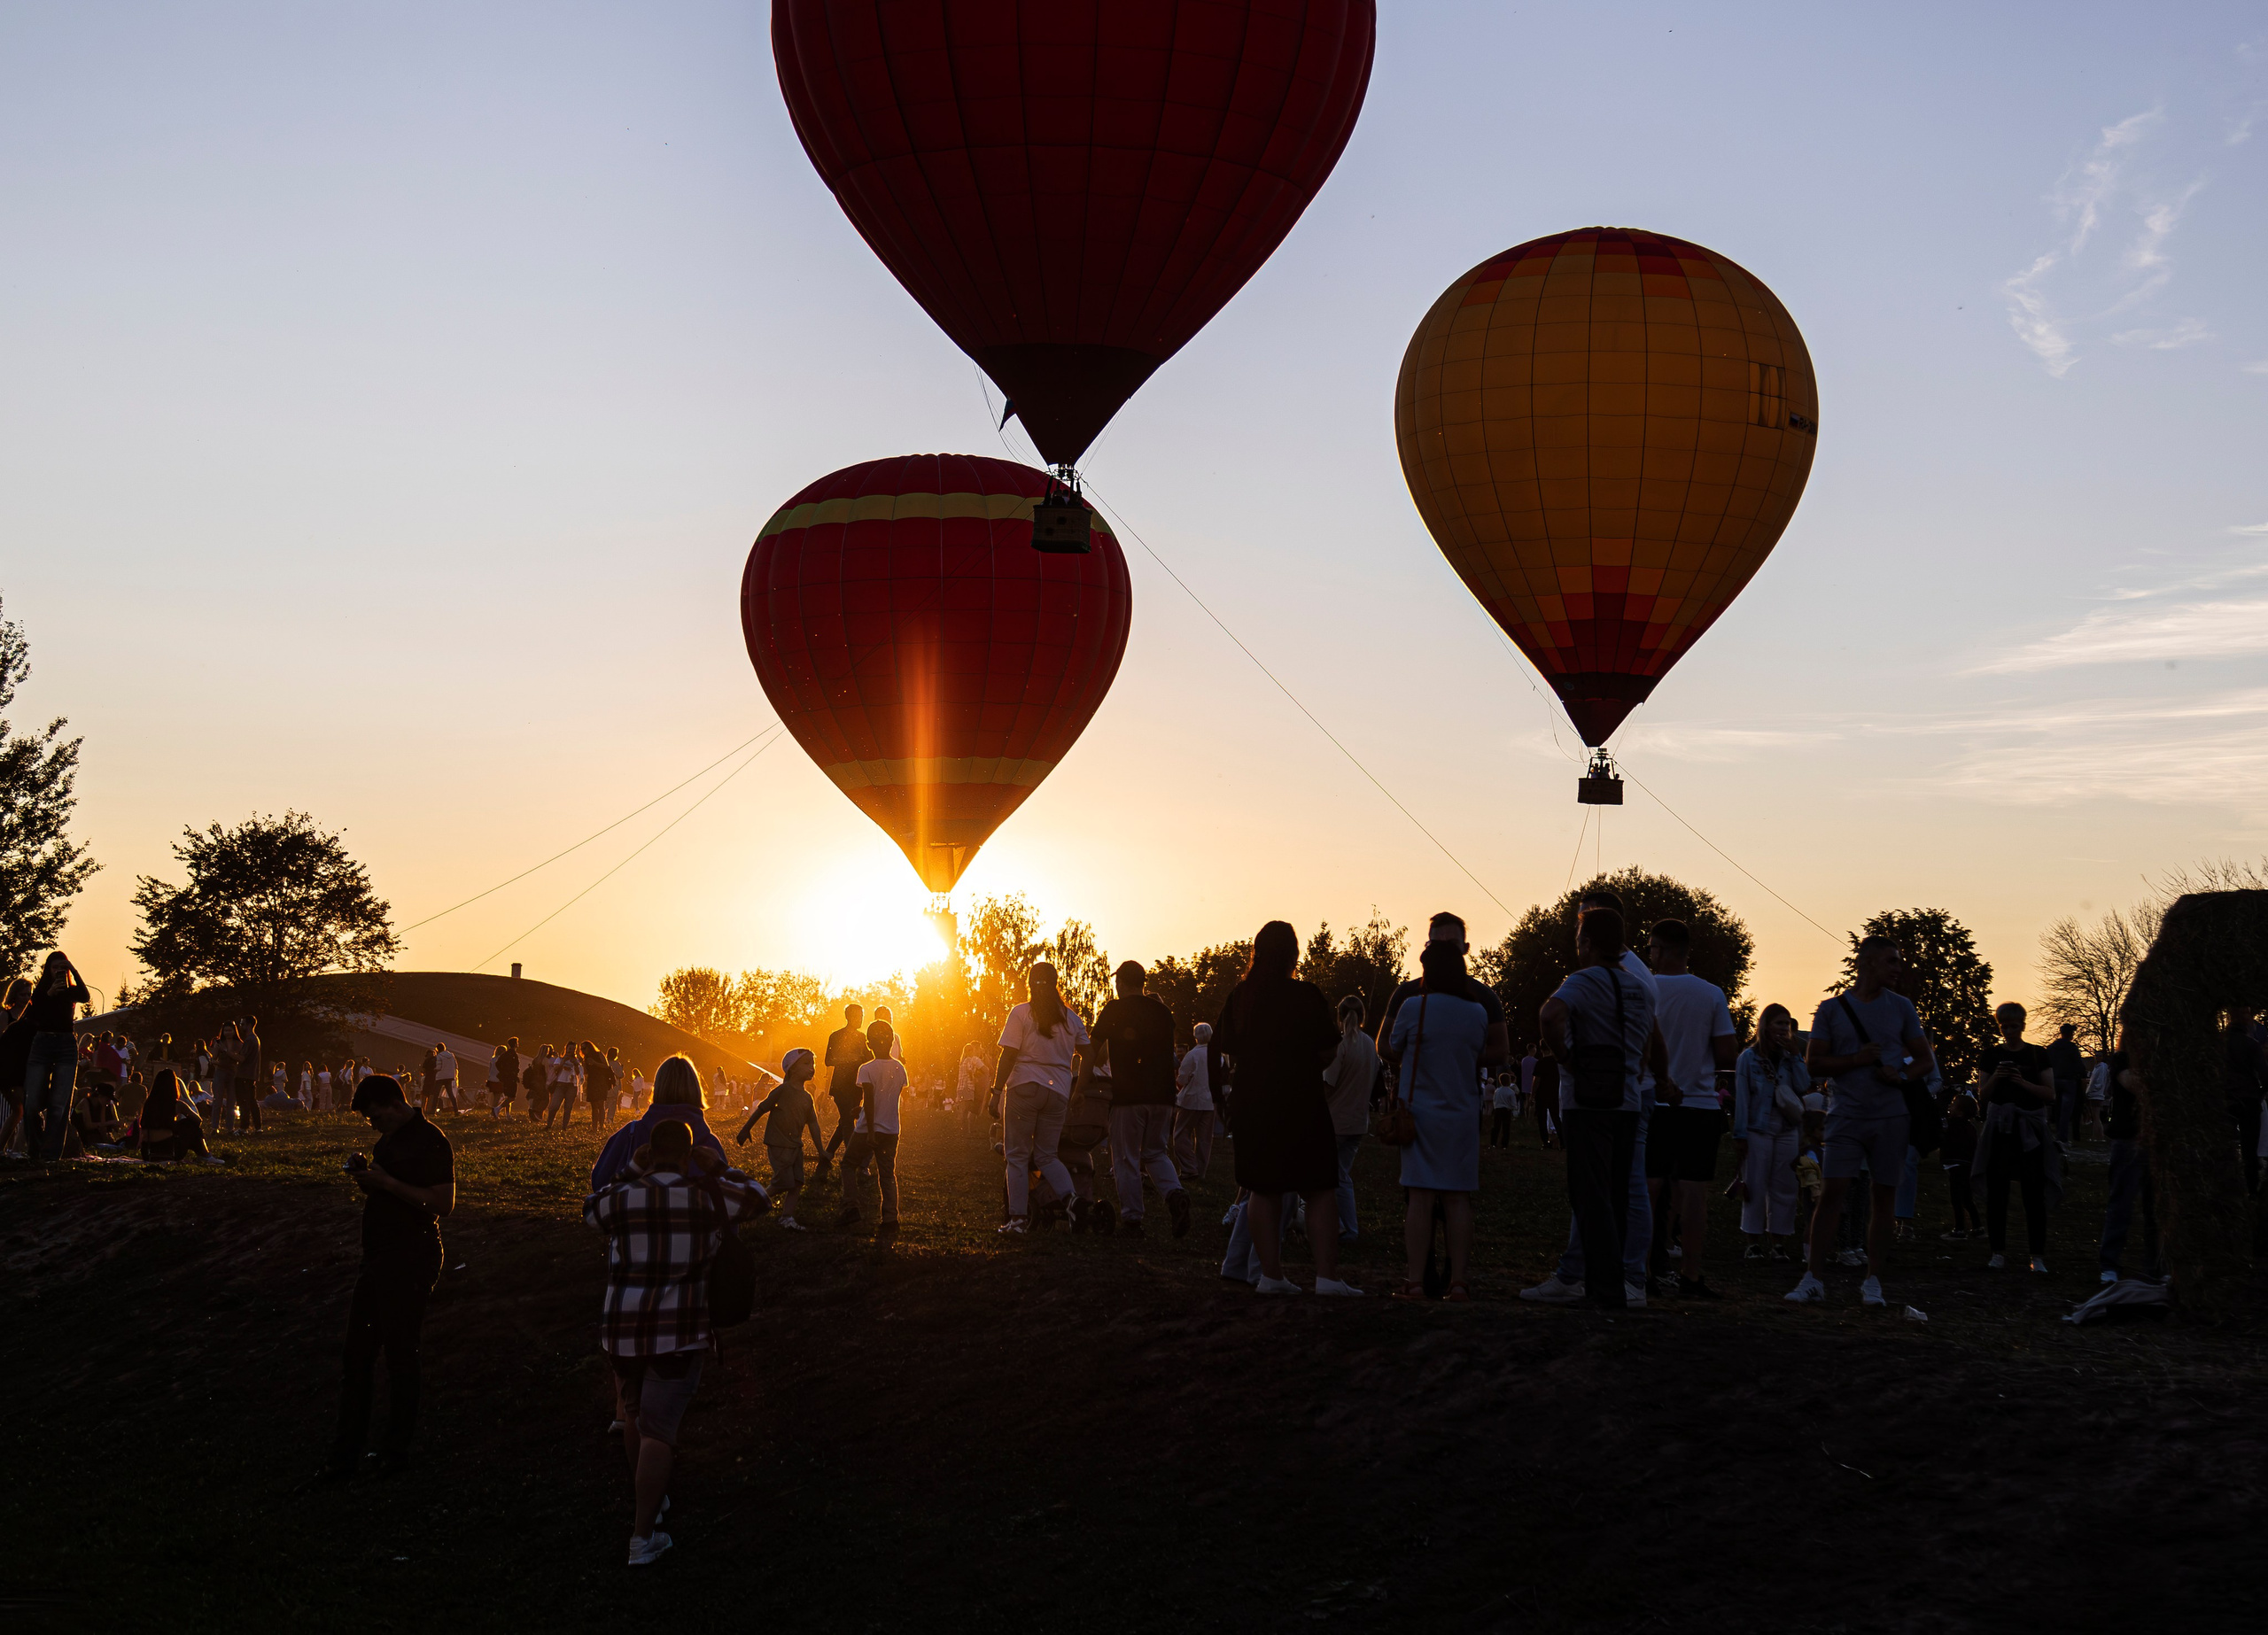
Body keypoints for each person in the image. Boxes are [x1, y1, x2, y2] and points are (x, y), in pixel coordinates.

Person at [583, 1116, 763, 1566]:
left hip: (622, 1331)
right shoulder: (705, 1197)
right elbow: (759, 1198)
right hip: (679, 1332)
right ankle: (642, 1538)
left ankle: (649, 1498)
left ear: (648, 1153)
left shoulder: (624, 1197)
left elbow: (591, 1210)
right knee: (659, 1431)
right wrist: (717, 1167)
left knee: (635, 1415)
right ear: (688, 1155)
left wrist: (630, 1170)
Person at [1522, 886, 1663, 1307]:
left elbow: (1550, 1015)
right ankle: (1614, 1280)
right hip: (1628, 1097)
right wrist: (1644, 1068)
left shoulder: (1584, 980)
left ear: (1589, 943)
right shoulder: (1639, 984)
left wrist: (1565, 1057)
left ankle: (1601, 1283)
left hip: (1587, 1100)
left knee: (1591, 1191)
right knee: (1618, 1191)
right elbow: (1653, 1036)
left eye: (1579, 937)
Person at [314, 1073, 455, 1484]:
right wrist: (369, 1179)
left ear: (396, 1104)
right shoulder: (388, 1140)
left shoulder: (431, 1140)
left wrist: (387, 1182)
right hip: (379, 1257)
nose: (372, 1125)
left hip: (411, 1257)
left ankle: (394, 1452)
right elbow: (390, 1193)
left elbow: (442, 1203)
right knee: (356, 1357)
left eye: (375, 1116)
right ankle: (347, 1454)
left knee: (399, 1355)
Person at [1785, 936, 1935, 1308]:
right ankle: (1813, 1279)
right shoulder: (1831, 1010)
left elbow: (1925, 1060)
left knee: (1883, 1197)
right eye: (1891, 961)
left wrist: (1901, 1075)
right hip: (1845, 1115)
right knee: (1832, 1193)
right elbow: (1813, 1063)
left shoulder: (1902, 1007)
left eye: (1899, 961)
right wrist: (1856, 1059)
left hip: (1891, 1117)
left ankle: (1873, 1283)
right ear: (1867, 963)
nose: (1899, 968)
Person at [1211, 922, 1359, 1295]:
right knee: (1320, 1186)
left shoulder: (1241, 996)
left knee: (1263, 1187)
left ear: (1256, 953)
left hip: (1252, 1101)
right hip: (1300, 1100)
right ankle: (1327, 1277)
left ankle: (1271, 1276)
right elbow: (1328, 1049)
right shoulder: (1306, 995)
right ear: (1294, 954)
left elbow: (1227, 1045)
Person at [1386, 940, 1495, 1301]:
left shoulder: (1413, 1006)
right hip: (1463, 1114)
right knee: (1458, 1199)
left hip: (1419, 1115)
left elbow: (1393, 1047)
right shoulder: (1478, 1012)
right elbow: (1480, 1053)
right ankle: (1459, 1282)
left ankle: (1416, 1281)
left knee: (1420, 1198)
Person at [1644, 918, 1738, 1299]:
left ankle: (1643, 1269)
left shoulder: (1643, 988)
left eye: (1651, 948)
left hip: (1653, 1101)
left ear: (1662, 950)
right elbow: (1727, 1054)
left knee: (1649, 1186)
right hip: (1699, 1105)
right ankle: (1691, 1274)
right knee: (1695, 1192)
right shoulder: (1711, 993)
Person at [1091, 961, 1190, 1238]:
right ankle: (1175, 1194)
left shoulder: (1115, 1009)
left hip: (1128, 1095)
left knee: (1126, 1157)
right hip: (1163, 1096)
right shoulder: (1162, 1011)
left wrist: (1083, 1078)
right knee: (1155, 1153)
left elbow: (1094, 1049)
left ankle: (1133, 1220)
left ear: (1121, 982)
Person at [991, 965, 1091, 1235]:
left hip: (1024, 1087)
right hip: (1058, 1091)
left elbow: (1009, 1055)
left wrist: (996, 1091)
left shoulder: (1021, 1013)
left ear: (1030, 984)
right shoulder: (1072, 1019)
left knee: (1017, 1156)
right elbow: (1089, 1054)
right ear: (1055, 983)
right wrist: (1079, 1090)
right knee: (1048, 1155)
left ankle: (1018, 1220)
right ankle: (1072, 1200)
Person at [1969, 1003, 2061, 1273]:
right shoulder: (1990, 1055)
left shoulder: (2038, 1054)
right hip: (2000, 1130)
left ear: (2023, 1025)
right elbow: (1982, 1095)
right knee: (1997, 1192)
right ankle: (1997, 1252)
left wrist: (2022, 1082)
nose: (2009, 1031)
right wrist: (1997, 1077)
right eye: (2004, 1026)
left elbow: (2050, 1094)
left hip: (2029, 1130)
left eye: (2013, 1026)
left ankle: (2037, 1256)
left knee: (2033, 1193)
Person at [1732, 1003, 1809, 1262]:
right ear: (1766, 1026)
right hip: (1757, 1127)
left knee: (1785, 1185)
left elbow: (1803, 1085)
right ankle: (1753, 1242)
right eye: (1779, 1023)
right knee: (1755, 1184)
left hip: (1787, 1127)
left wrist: (1796, 1056)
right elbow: (1742, 1099)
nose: (1784, 1028)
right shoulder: (1748, 1058)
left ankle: (1778, 1243)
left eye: (1787, 1024)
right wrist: (1740, 1134)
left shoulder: (1790, 1057)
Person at [593, 1055, 729, 1189]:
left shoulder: (631, 1134)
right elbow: (726, 1189)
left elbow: (600, 1182)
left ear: (657, 1088)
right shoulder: (710, 1144)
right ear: (696, 1090)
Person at [740, 1049, 824, 1229]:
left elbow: (813, 1124)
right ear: (792, 1068)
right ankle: (752, 1203)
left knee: (797, 1183)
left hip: (796, 1146)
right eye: (806, 1063)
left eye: (813, 1063)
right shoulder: (783, 1090)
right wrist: (746, 1129)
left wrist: (821, 1151)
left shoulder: (807, 1097)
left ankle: (787, 1217)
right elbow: (762, 1109)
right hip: (778, 1143)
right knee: (783, 1182)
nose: (812, 1067)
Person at [2096, 1042, 2159, 1282]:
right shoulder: (2122, 1059)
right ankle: (2109, 1264)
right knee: (2121, 1204)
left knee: (2156, 1208)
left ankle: (2156, 1267)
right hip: (2129, 1139)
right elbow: (2136, 1086)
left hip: (2157, 1140)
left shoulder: (2162, 1055)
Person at [22, 952, 91, 1161]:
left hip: (66, 1044)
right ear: (48, 970)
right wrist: (49, 994)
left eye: (62, 968)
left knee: (59, 1104)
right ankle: (35, 1149)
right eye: (55, 968)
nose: (58, 972)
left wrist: (74, 970)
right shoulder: (42, 991)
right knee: (31, 1102)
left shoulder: (71, 992)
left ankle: (50, 1155)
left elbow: (85, 997)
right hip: (42, 1043)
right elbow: (31, 1015)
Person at [840, 1019, 907, 1229]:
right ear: (892, 1041)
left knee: (848, 1164)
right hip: (891, 1129)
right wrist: (862, 1110)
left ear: (868, 1044)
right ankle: (891, 1218)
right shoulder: (900, 1068)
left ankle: (851, 1207)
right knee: (887, 1174)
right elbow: (888, 1099)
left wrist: (869, 1129)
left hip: (867, 1129)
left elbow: (870, 1099)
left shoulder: (866, 1068)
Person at [1324, 997, 1377, 1244]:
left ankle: (1341, 1227)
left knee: (1329, 1178)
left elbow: (1328, 1084)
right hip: (1358, 1121)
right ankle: (1345, 1226)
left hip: (1335, 1120)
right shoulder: (1370, 1044)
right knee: (1341, 1175)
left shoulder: (1340, 1045)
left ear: (1339, 1016)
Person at [820, 1003, 872, 1174]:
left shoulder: (862, 1037)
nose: (861, 1019)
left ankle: (827, 1155)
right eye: (858, 1015)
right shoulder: (836, 1036)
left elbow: (869, 1059)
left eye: (862, 1015)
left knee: (845, 1121)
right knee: (848, 1121)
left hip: (856, 1086)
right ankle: (853, 1160)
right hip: (841, 1085)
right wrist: (850, 1058)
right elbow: (828, 1060)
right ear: (849, 1016)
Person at [138, 1066, 217, 1164]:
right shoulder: (177, 1105)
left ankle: (205, 1156)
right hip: (170, 1151)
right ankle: (205, 1155)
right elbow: (198, 1121)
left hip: (147, 1152)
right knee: (191, 1126)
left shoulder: (148, 1104)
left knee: (184, 1125)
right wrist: (182, 1123)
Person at [1940, 1087, 1980, 1240]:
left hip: (1956, 1166)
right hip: (1966, 1166)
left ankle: (1959, 1230)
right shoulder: (1971, 1128)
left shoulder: (1952, 1125)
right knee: (1967, 1199)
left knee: (1956, 1199)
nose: (1950, 1107)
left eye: (1953, 1105)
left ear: (1960, 1112)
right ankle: (1977, 1227)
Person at [0, 976, 33, 1158]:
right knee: (21, 1109)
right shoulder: (6, 1015)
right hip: (9, 1068)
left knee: (20, 1111)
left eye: (29, 994)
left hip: (25, 1067)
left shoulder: (32, 1016)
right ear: (14, 995)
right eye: (22, 994)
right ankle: (15, 1149)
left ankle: (11, 1148)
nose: (26, 998)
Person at [2045, 1022, 2085, 1147]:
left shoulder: (2051, 1048)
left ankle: (2055, 1135)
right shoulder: (2072, 1048)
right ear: (2070, 1034)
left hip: (2054, 1080)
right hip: (2069, 1081)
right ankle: (2062, 1138)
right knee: (2066, 1112)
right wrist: (2081, 1074)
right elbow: (2079, 1065)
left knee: (2056, 1110)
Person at [1528, 1041, 1560, 1148]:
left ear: (1541, 1049)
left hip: (1542, 1094)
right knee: (1556, 1117)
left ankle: (1545, 1141)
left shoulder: (1540, 1063)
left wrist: (1532, 1095)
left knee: (1542, 1119)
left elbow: (1536, 1080)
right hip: (1554, 1093)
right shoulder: (1557, 1063)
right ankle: (1562, 1140)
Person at [955, 1043, 987, 1136]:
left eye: (971, 1050)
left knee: (963, 1109)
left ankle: (963, 1130)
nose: (970, 1052)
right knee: (967, 1109)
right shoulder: (969, 1060)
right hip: (967, 1087)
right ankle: (966, 1131)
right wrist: (974, 1078)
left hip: (961, 1088)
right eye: (968, 1050)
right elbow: (969, 1071)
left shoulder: (962, 1062)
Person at [492, 1037, 522, 1118]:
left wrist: (503, 1072)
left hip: (506, 1077)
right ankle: (497, 1109)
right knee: (512, 1097)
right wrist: (509, 1072)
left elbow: (498, 1063)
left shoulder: (505, 1054)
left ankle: (508, 1115)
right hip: (511, 1078)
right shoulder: (513, 1054)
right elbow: (514, 1066)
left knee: (508, 1096)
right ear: (515, 1044)